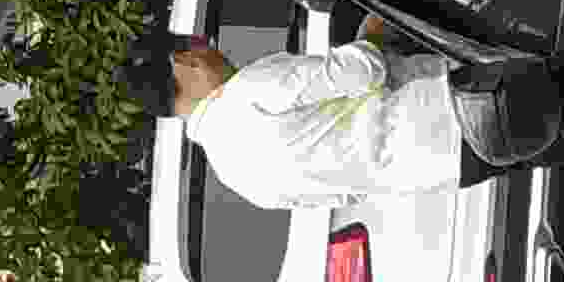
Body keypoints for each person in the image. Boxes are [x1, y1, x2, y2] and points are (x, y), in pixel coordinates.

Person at [167, 31, 466, 213]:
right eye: (202, 42)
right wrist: (372, 32)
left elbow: (349, 196)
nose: (215, 48)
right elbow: (362, 70)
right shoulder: (247, 88)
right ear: (184, 59)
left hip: (443, 171)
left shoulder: (233, 176)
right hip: (449, 106)